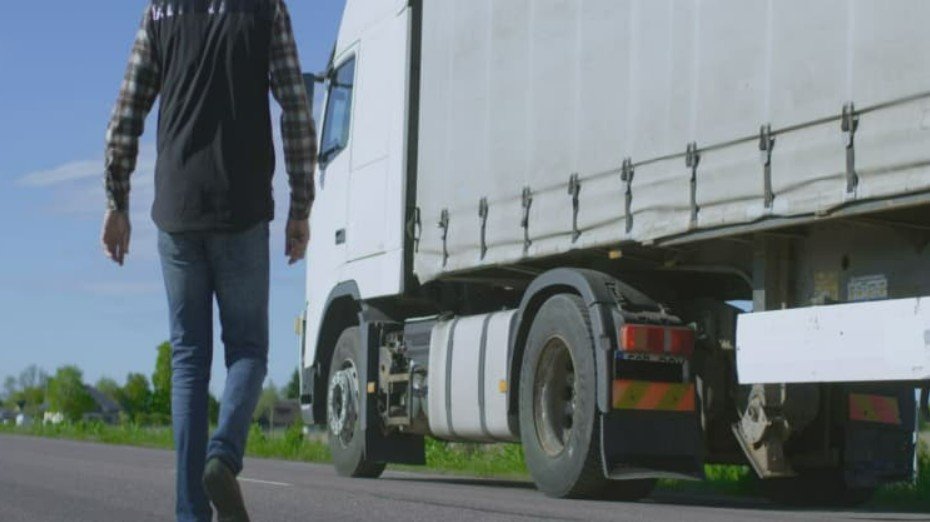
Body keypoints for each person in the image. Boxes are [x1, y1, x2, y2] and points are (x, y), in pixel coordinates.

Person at [100, 1, 316, 520]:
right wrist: (300, 206)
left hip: (177, 210)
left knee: (189, 361)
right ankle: (223, 454)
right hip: (242, 209)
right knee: (246, 349)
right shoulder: (267, 8)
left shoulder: (160, 10)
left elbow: (126, 113)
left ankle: (190, 513)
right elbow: (296, 109)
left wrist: (117, 202)